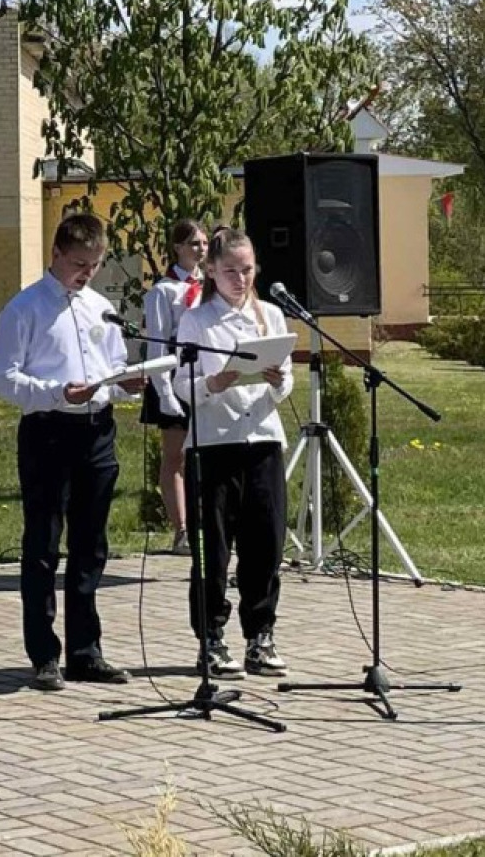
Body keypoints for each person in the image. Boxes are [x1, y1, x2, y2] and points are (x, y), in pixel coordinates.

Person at [0, 213, 145, 691]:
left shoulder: (101, 307)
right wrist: (57, 393)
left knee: (90, 545)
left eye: (95, 264)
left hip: (97, 432)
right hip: (48, 431)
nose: (87, 273)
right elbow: (3, 379)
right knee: (43, 544)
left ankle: (85, 651)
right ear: (55, 253)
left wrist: (125, 385)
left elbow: (112, 367)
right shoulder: (25, 308)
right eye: (79, 263)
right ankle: (43, 654)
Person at [174, 227, 294, 679]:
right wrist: (213, 383)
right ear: (210, 271)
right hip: (214, 443)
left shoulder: (271, 315)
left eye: (247, 270)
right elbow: (180, 385)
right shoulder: (197, 321)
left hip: (262, 438)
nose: (240, 280)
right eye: (230, 272)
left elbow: (285, 380)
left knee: (265, 544)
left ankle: (260, 635)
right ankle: (211, 639)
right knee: (214, 549)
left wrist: (278, 381)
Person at [139, 219, 209, 554]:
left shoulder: (212, 285)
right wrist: (164, 391)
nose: (201, 249)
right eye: (194, 243)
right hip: (173, 372)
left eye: (204, 243)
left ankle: (208, 524)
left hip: (205, 374)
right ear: (177, 247)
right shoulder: (163, 291)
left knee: (207, 455)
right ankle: (181, 530)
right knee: (176, 456)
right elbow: (157, 343)